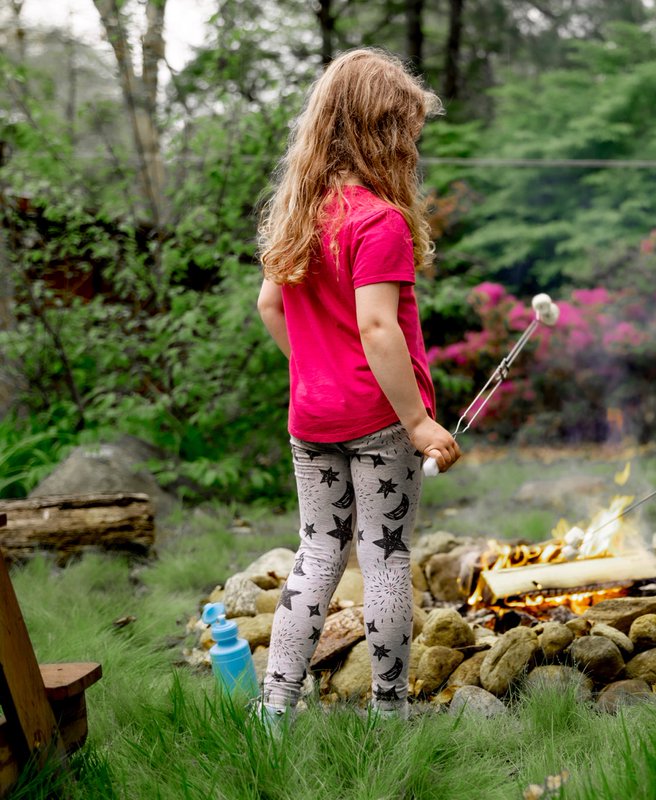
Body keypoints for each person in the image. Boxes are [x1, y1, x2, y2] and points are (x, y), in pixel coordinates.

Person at [254, 47, 461, 724]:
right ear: (383, 133)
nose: (412, 149)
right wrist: (420, 422)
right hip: (379, 422)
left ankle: (274, 710)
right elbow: (378, 329)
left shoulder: (299, 213)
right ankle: (389, 711)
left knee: (316, 553)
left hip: (310, 418)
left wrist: (314, 369)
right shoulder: (378, 221)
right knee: (385, 561)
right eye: (408, 135)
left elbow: (268, 306)